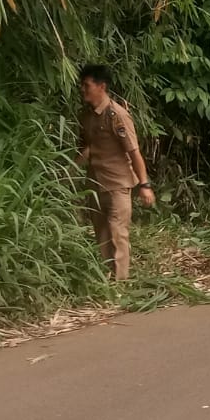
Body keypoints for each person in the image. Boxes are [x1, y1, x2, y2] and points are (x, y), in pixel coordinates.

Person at [76, 64, 155, 281]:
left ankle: (121, 284)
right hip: (95, 184)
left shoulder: (116, 115)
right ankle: (107, 280)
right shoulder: (86, 116)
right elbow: (84, 149)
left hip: (118, 184)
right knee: (101, 233)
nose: (83, 89)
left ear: (102, 86)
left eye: (87, 85)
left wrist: (144, 185)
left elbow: (134, 152)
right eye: (82, 85)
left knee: (118, 232)